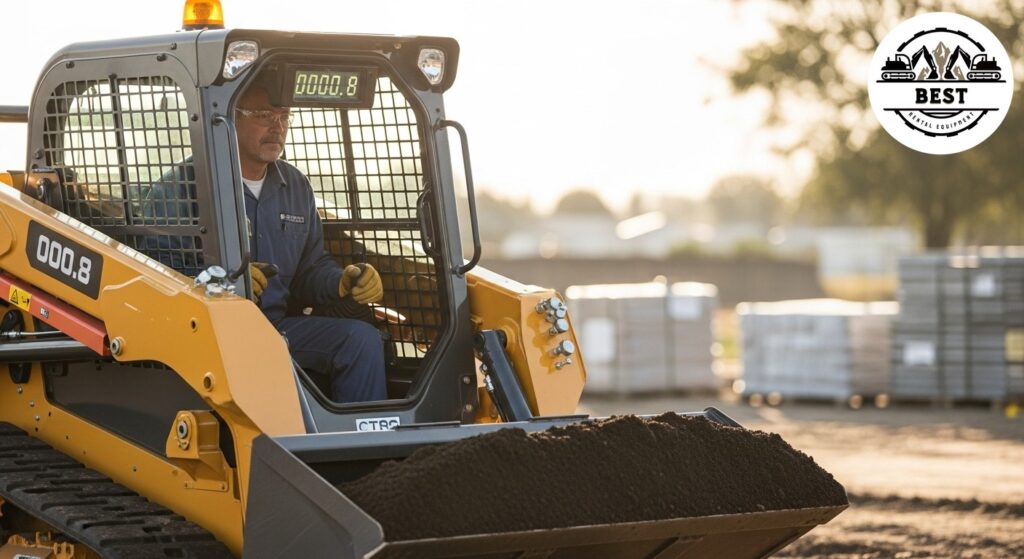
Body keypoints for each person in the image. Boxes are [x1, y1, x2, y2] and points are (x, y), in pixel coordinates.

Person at [144, 83, 387, 404]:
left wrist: (342, 282)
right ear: (227, 118)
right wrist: (222, 285)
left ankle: (369, 447)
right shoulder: (177, 190)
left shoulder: (296, 186)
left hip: (278, 329)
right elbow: (154, 278)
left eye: (284, 116)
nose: (277, 126)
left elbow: (310, 270)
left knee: (361, 340)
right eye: (263, 115)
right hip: (208, 336)